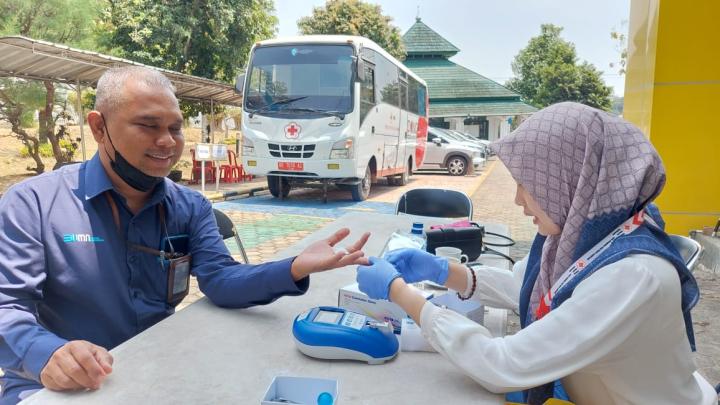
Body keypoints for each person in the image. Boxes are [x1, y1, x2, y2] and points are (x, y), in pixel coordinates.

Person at [0, 66, 370, 404]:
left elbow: (220, 278)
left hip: (156, 374)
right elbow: (7, 308)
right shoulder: (33, 203)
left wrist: (293, 267)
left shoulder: (189, 206)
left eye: (175, 128)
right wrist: (47, 353)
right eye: (148, 125)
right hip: (57, 386)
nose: (168, 142)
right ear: (99, 128)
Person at [356, 102, 717, 404]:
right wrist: (442, 271)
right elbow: (528, 289)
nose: (517, 199)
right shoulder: (583, 235)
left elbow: (502, 365)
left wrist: (400, 294)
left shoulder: (633, 276)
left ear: (574, 178)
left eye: (527, 185)